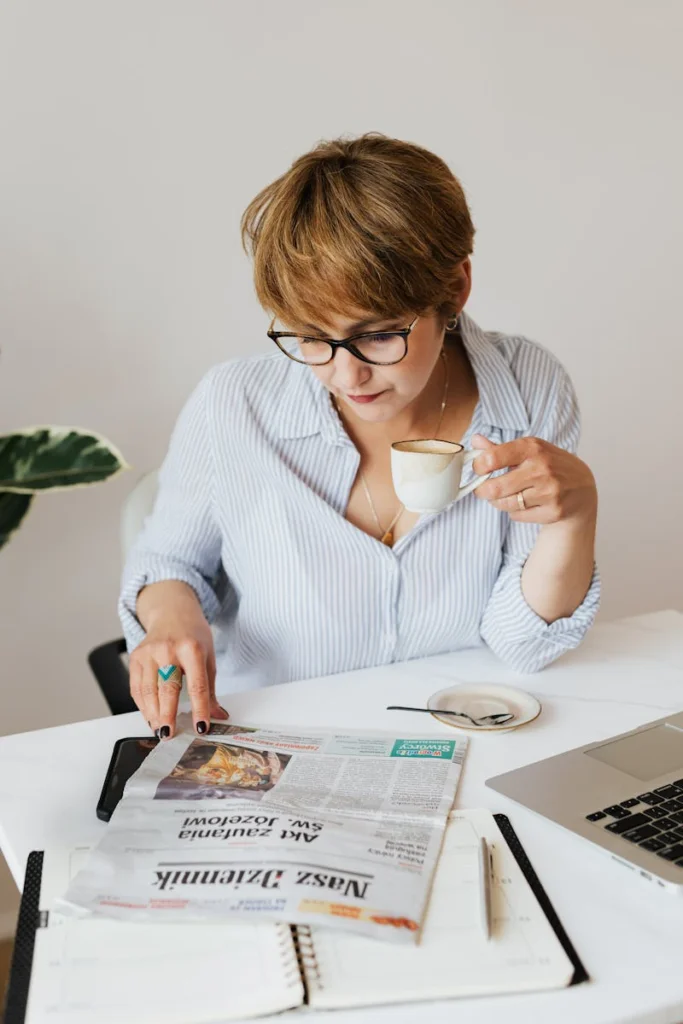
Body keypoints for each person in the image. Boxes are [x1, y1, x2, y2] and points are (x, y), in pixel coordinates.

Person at [119, 133, 600, 739]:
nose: (346, 375)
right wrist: (170, 621)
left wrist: (573, 518)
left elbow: (523, 644)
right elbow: (170, 561)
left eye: (376, 336)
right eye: (312, 336)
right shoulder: (233, 403)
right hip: (273, 741)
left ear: (453, 291)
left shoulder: (530, 387)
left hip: (452, 741)